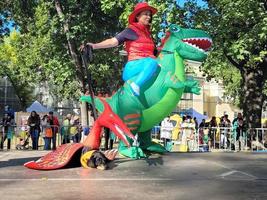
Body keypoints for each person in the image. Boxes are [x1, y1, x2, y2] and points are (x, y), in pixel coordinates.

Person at [82, 2, 158, 96]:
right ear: (137, 17)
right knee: (152, 62)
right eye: (145, 14)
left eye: (149, 15)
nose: (149, 17)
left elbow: (155, 51)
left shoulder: (148, 35)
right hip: (133, 67)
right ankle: (135, 85)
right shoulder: (130, 30)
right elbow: (113, 41)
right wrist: (94, 45)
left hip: (148, 65)